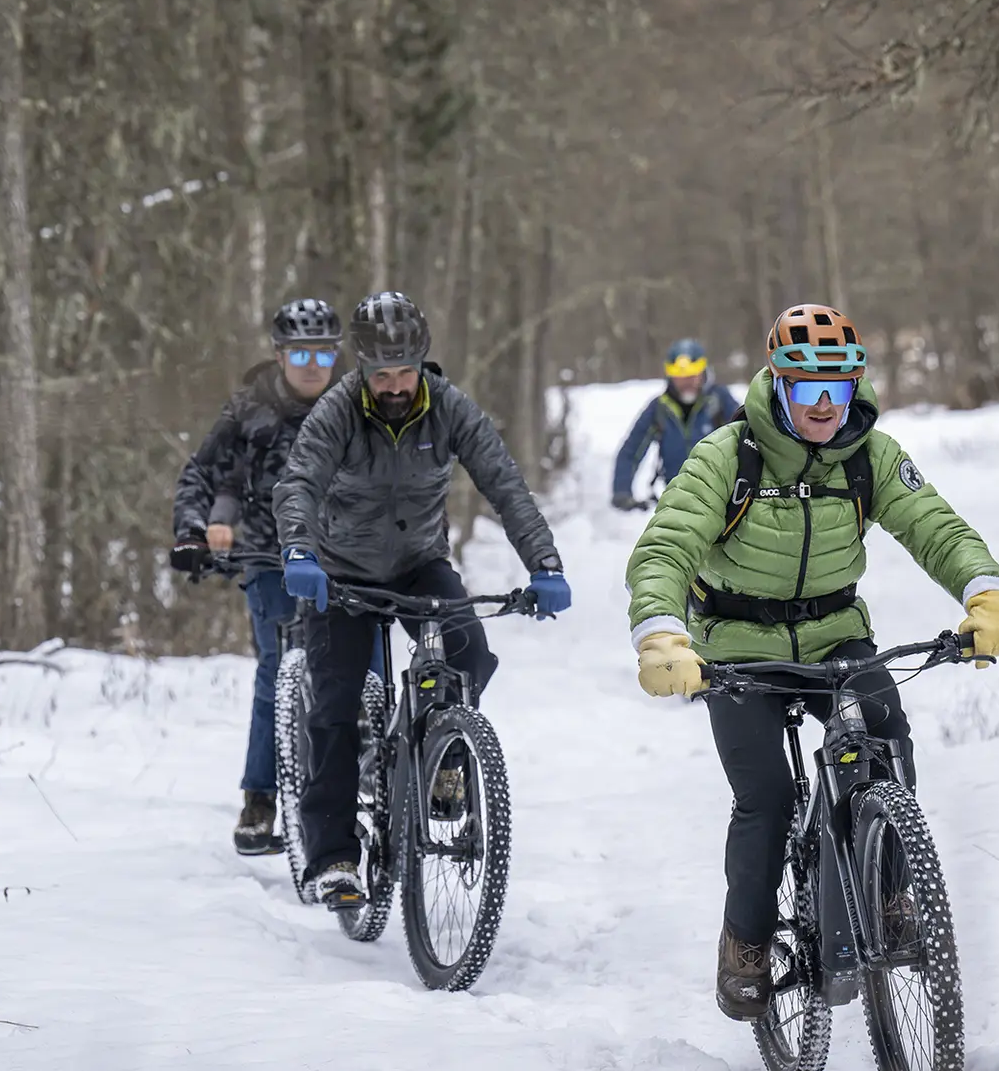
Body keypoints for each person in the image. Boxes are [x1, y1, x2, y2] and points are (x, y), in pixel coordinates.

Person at [622, 303, 999, 1020]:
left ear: (854, 390)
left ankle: (892, 892)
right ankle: (745, 942)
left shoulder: (870, 455)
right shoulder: (729, 455)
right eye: (807, 388)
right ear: (776, 384)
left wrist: (986, 590)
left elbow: (935, 526)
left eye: (837, 390)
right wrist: (662, 632)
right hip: (735, 649)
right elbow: (667, 547)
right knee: (768, 800)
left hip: (835, 635)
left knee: (885, 736)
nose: (821, 406)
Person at [272, 290, 572, 908]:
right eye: (381, 373)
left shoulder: (449, 408)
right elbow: (299, 483)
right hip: (341, 575)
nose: (394, 384)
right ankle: (333, 858)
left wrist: (544, 565)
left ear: (421, 363)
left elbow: (505, 485)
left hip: (418, 567)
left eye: (404, 370)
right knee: (332, 707)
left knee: (470, 652)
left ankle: (444, 762)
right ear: (362, 369)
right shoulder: (336, 412)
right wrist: (299, 552)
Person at [170, 297, 348, 856]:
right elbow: (201, 472)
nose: (313, 365)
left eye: (324, 352)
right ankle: (260, 797)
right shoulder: (249, 410)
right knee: (279, 666)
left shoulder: (359, 405)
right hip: (269, 558)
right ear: (278, 355)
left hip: (348, 561)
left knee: (363, 668)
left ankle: (377, 778)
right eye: (301, 352)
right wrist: (197, 530)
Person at [610, 339, 741, 510]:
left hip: (723, 497)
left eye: (692, 376)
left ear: (703, 373)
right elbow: (631, 450)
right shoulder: (659, 409)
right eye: (680, 377)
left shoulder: (719, 401)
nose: (686, 382)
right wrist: (622, 490)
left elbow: (749, 435)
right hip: (677, 500)